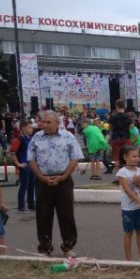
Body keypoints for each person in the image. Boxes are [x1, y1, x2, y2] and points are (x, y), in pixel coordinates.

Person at [27, 110, 85, 257]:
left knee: (66, 215)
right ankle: (45, 248)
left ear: (57, 123)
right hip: (42, 182)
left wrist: (63, 177)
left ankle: (68, 246)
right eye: (42, 122)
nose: (44, 125)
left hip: (63, 181)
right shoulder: (36, 138)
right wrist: (41, 177)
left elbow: (74, 159)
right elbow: (31, 159)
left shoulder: (68, 137)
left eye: (48, 122)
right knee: (43, 215)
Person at [117, 145, 140, 261]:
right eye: (134, 156)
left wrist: (139, 182)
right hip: (128, 208)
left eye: (138, 156)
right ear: (126, 157)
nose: (137, 159)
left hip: (139, 208)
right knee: (128, 232)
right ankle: (128, 259)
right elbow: (128, 191)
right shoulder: (122, 172)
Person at [11, 119, 36, 213]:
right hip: (24, 166)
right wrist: (18, 164)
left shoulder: (29, 138)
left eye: (32, 127)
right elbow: (12, 151)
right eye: (29, 127)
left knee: (31, 186)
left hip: (31, 165)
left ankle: (31, 205)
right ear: (23, 128)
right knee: (24, 186)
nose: (31, 129)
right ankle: (21, 206)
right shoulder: (20, 139)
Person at [108, 99, 132, 170]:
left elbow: (110, 128)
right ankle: (127, 174)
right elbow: (130, 127)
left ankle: (118, 177)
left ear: (117, 106)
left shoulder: (113, 117)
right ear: (124, 106)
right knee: (127, 157)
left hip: (116, 138)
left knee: (116, 158)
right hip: (126, 138)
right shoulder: (128, 116)